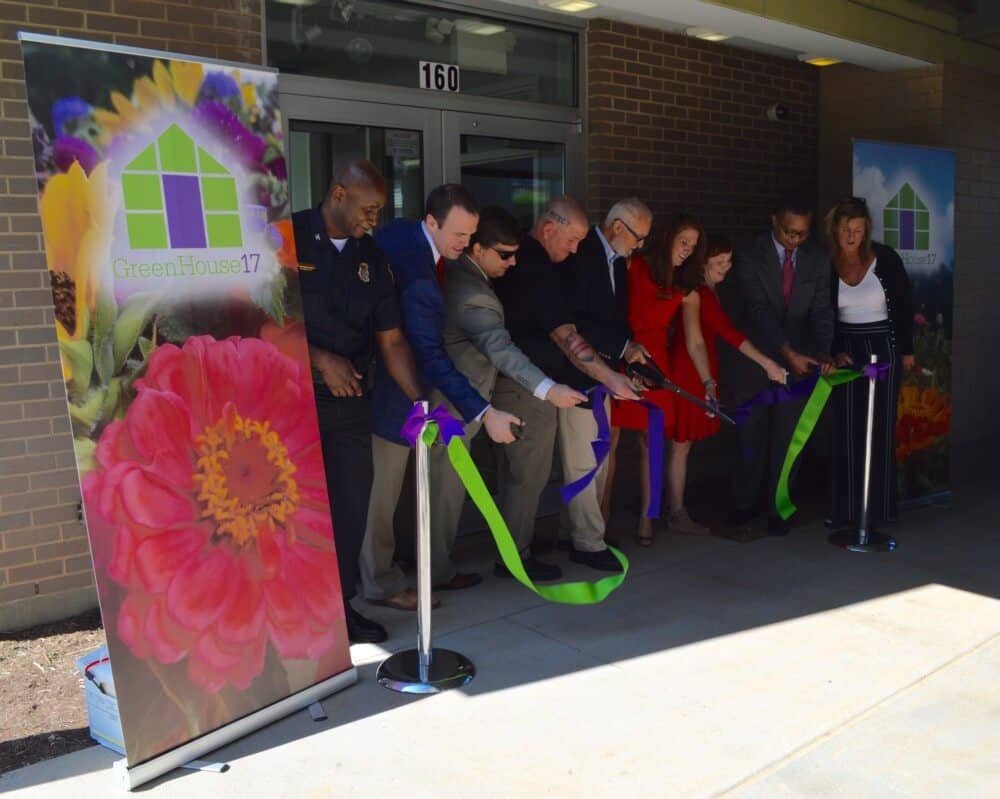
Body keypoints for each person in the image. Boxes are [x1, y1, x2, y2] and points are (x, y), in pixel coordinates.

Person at [360, 185, 522, 611]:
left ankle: (410, 569)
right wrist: (483, 412)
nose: (464, 245)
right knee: (384, 491)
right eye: (459, 235)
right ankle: (379, 583)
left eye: (470, 237)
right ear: (431, 222)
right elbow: (429, 352)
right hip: (390, 393)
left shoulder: (404, 237)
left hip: (402, 386)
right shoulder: (418, 271)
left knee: (400, 488)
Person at [295, 159, 423, 644]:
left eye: (380, 211)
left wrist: (420, 401)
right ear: (337, 193)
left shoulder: (374, 259)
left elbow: (391, 341)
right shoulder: (285, 240)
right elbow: (255, 320)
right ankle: (290, 615)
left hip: (349, 407)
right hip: (290, 403)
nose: (374, 218)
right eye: (368, 208)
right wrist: (318, 358)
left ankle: (338, 612)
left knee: (349, 510)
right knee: (289, 512)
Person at [430, 207, 586, 583]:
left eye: (516, 253)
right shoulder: (471, 292)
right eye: (504, 254)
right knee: (446, 489)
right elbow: (500, 348)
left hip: (468, 397)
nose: (513, 263)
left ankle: (438, 567)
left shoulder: (463, 276)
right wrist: (549, 389)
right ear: (476, 248)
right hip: (456, 402)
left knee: (450, 485)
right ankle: (435, 571)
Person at [493, 196, 641, 574]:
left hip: (543, 380)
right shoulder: (531, 264)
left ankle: (522, 552)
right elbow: (566, 335)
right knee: (527, 475)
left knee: (535, 472)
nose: (576, 250)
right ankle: (515, 559)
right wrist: (610, 378)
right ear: (548, 229)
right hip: (524, 381)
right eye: (571, 241)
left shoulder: (547, 261)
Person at [669, 234, 788, 539]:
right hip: (690, 372)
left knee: (683, 445)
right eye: (719, 261)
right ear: (703, 262)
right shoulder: (701, 294)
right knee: (681, 444)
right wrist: (768, 364)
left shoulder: (711, 291)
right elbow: (728, 334)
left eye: (729, 260)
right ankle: (675, 511)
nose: (727, 266)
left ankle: (674, 508)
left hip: (700, 370)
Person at [731, 195, 835, 535]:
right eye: (790, 232)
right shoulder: (748, 253)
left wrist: (821, 354)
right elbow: (757, 309)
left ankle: (778, 508)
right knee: (751, 434)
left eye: (802, 234)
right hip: (756, 359)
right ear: (774, 220)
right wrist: (785, 351)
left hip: (801, 362)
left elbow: (822, 310)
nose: (795, 239)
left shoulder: (818, 258)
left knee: (789, 439)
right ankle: (743, 505)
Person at [605, 214, 695, 544]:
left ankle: (647, 519)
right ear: (668, 238)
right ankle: (602, 515)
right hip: (624, 354)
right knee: (609, 439)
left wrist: (708, 382)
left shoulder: (684, 284)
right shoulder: (633, 266)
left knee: (651, 441)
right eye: (684, 242)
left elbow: (696, 339)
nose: (688, 250)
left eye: (693, 246)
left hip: (657, 363)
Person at [826, 197, 913, 530]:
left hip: (883, 346)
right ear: (836, 230)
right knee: (846, 428)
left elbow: (904, 303)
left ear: (867, 231)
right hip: (844, 348)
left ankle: (879, 510)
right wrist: (832, 351)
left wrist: (906, 349)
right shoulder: (826, 263)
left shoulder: (885, 258)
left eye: (858, 231)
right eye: (847, 230)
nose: (852, 237)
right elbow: (823, 313)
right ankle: (844, 509)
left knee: (879, 428)